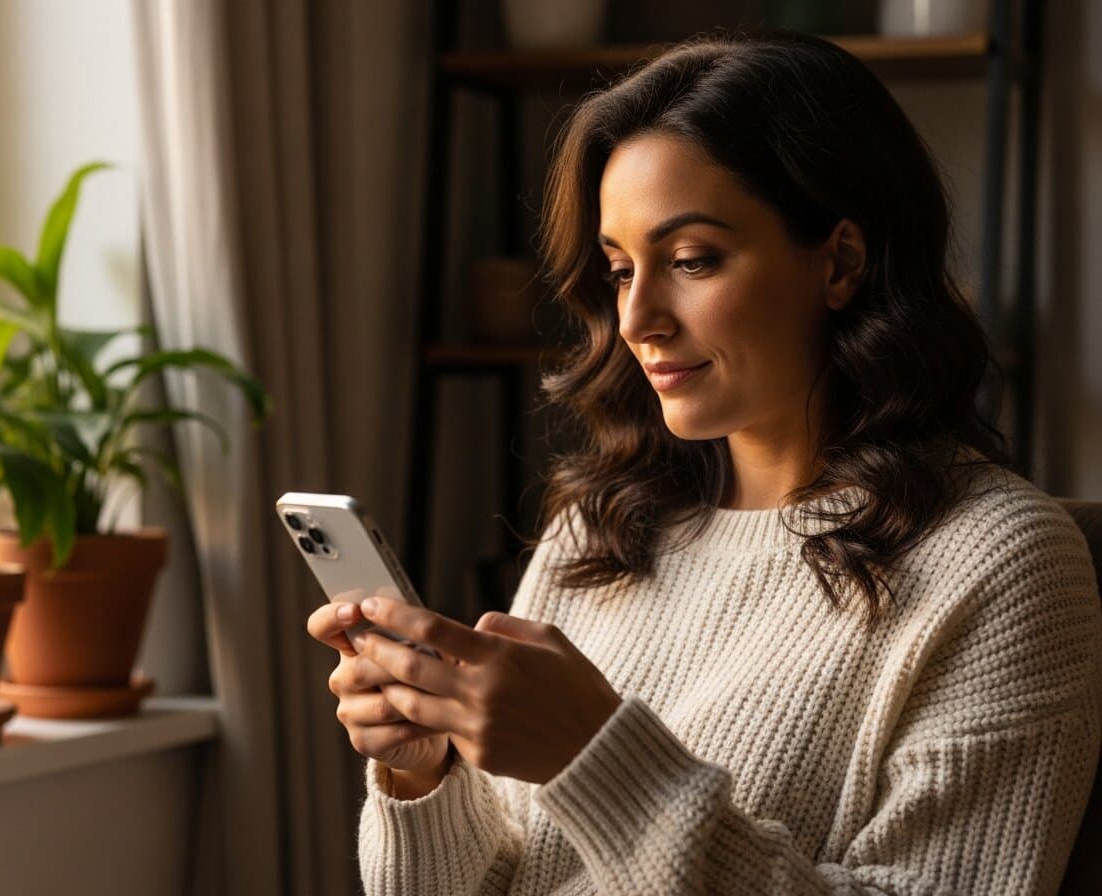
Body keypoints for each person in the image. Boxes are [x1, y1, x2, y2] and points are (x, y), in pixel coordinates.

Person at [306, 28, 1101, 896]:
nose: (639, 317)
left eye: (690, 260)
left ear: (839, 262)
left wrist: (595, 757)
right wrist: (426, 779)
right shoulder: (599, 533)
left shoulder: (1001, 561)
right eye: (618, 270)